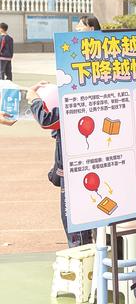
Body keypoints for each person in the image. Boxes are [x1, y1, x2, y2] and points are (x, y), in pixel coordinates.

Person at [26, 81, 93, 247]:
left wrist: (34, 99)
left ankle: (82, 255)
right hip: (84, 170)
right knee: (84, 221)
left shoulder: (74, 105)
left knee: (74, 224)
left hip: (76, 175)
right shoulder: (88, 99)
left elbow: (46, 120)